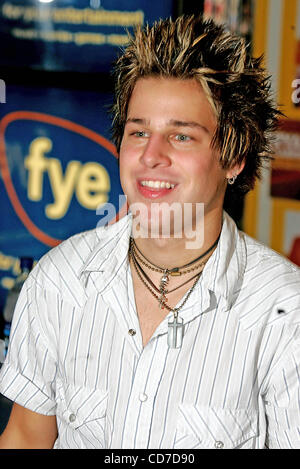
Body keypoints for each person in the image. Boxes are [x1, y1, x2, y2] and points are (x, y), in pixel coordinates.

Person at [0, 15, 299, 449]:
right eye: (138, 131)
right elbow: (26, 437)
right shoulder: (59, 281)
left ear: (234, 159)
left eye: (181, 137)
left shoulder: (284, 311)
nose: (150, 156)